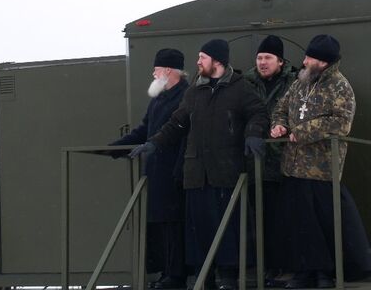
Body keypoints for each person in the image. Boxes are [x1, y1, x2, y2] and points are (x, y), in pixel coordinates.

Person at [130, 39, 268, 290]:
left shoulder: (240, 88)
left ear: (217, 61)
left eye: (202, 57)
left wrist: (253, 134)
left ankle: (228, 277)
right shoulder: (194, 92)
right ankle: (206, 277)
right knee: (200, 229)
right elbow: (177, 123)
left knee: (228, 228)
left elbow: (258, 113)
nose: (198, 62)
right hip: (196, 173)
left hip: (225, 170)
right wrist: (154, 144)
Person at [270, 34, 371, 289]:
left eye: (310, 58)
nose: (304, 61)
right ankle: (303, 270)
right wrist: (279, 126)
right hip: (293, 167)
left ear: (323, 62)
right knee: (299, 224)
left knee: (323, 225)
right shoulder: (300, 83)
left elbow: (341, 122)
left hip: (321, 169)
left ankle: (324, 273)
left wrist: (303, 131)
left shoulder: (340, 86)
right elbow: (281, 108)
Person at [109, 48, 189, 289]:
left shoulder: (185, 97)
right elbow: (145, 129)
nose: (153, 74)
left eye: (156, 70)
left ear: (167, 70)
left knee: (173, 224)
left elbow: (177, 132)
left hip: (174, 169)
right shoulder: (159, 99)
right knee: (159, 224)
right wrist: (117, 148)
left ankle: (176, 276)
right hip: (155, 170)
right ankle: (165, 271)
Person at [243, 35, 297, 286]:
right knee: (259, 220)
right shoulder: (246, 83)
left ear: (280, 61)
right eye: (259, 58)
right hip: (255, 163)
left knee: (284, 220)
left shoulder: (293, 83)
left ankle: (286, 267)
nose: (263, 62)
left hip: (285, 163)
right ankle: (266, 267)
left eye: (268, 58)